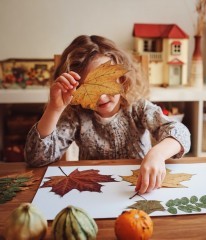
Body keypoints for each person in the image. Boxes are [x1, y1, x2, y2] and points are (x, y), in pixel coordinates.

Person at [24, 35, 191, 194]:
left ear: (122, 78)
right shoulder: (75, 116)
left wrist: (157, 154)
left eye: (106, 84)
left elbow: (181, 133)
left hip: (138, 186)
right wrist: (54, 108)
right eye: (88, 89)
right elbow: (36, 158)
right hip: (93, 189)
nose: (101, 97)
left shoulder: (138, 108)